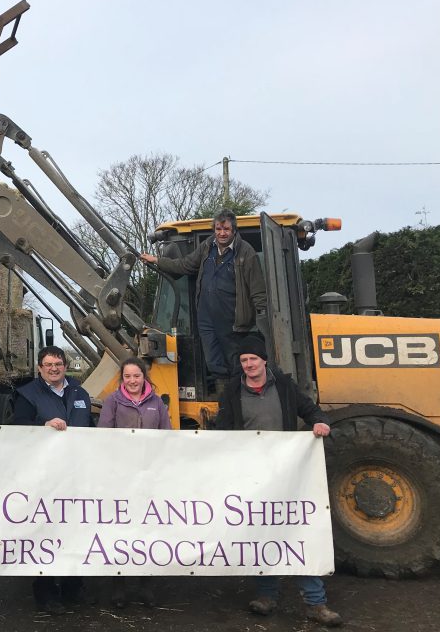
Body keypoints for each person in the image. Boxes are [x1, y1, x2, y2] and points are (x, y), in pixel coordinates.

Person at [215, 334, 344, 628]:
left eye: (253, 359)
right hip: (252, 475)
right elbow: (222, 428)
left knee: (296, 532)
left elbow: (309, 409)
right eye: (244, 360)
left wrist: (320, 421)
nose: (248, 364)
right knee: (262, 533)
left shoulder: (284, 386)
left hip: (288, 473)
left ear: (264, 361)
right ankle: (266, 595)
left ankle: (315, 601)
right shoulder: (233, 391)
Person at [141, 208, 266, 386]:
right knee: (214, 361)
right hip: (206, 318)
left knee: (236, 362)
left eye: (226, 229)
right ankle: (224, 400)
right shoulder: (207, 247)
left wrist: (264, 321)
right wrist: (157, 261)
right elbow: (185, 265)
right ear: (214, 229)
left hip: (232, 318)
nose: (222, 233)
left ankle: (240, 400)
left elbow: (257, 290)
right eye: (218, 229)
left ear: (233, 230)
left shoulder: (245, 252)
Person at [12, 345, 92, 615]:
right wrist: (41, 428)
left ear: (65, 365)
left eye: (58, 363)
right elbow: (16, 428)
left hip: (77, 473)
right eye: (48, 365)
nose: (54, 368)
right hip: (44, 476)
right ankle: (46, 591)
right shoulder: (27, 395)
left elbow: (92, 430)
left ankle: (73, 586)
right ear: (39, 368)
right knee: (46, 532)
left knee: (75, 528)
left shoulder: (79, 392)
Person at [96, 357, 171, 608]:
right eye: (127, 376)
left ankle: (146, 585)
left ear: (144, 377)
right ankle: (119, 586)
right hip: (121, 477)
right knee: (120, 529)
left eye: (136, 376)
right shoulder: (112, 402)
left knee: (148, 528)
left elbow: (167, 437)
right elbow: (103, 437)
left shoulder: (157, 403)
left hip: (150, 476)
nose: (132, 381)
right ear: (122, 379)